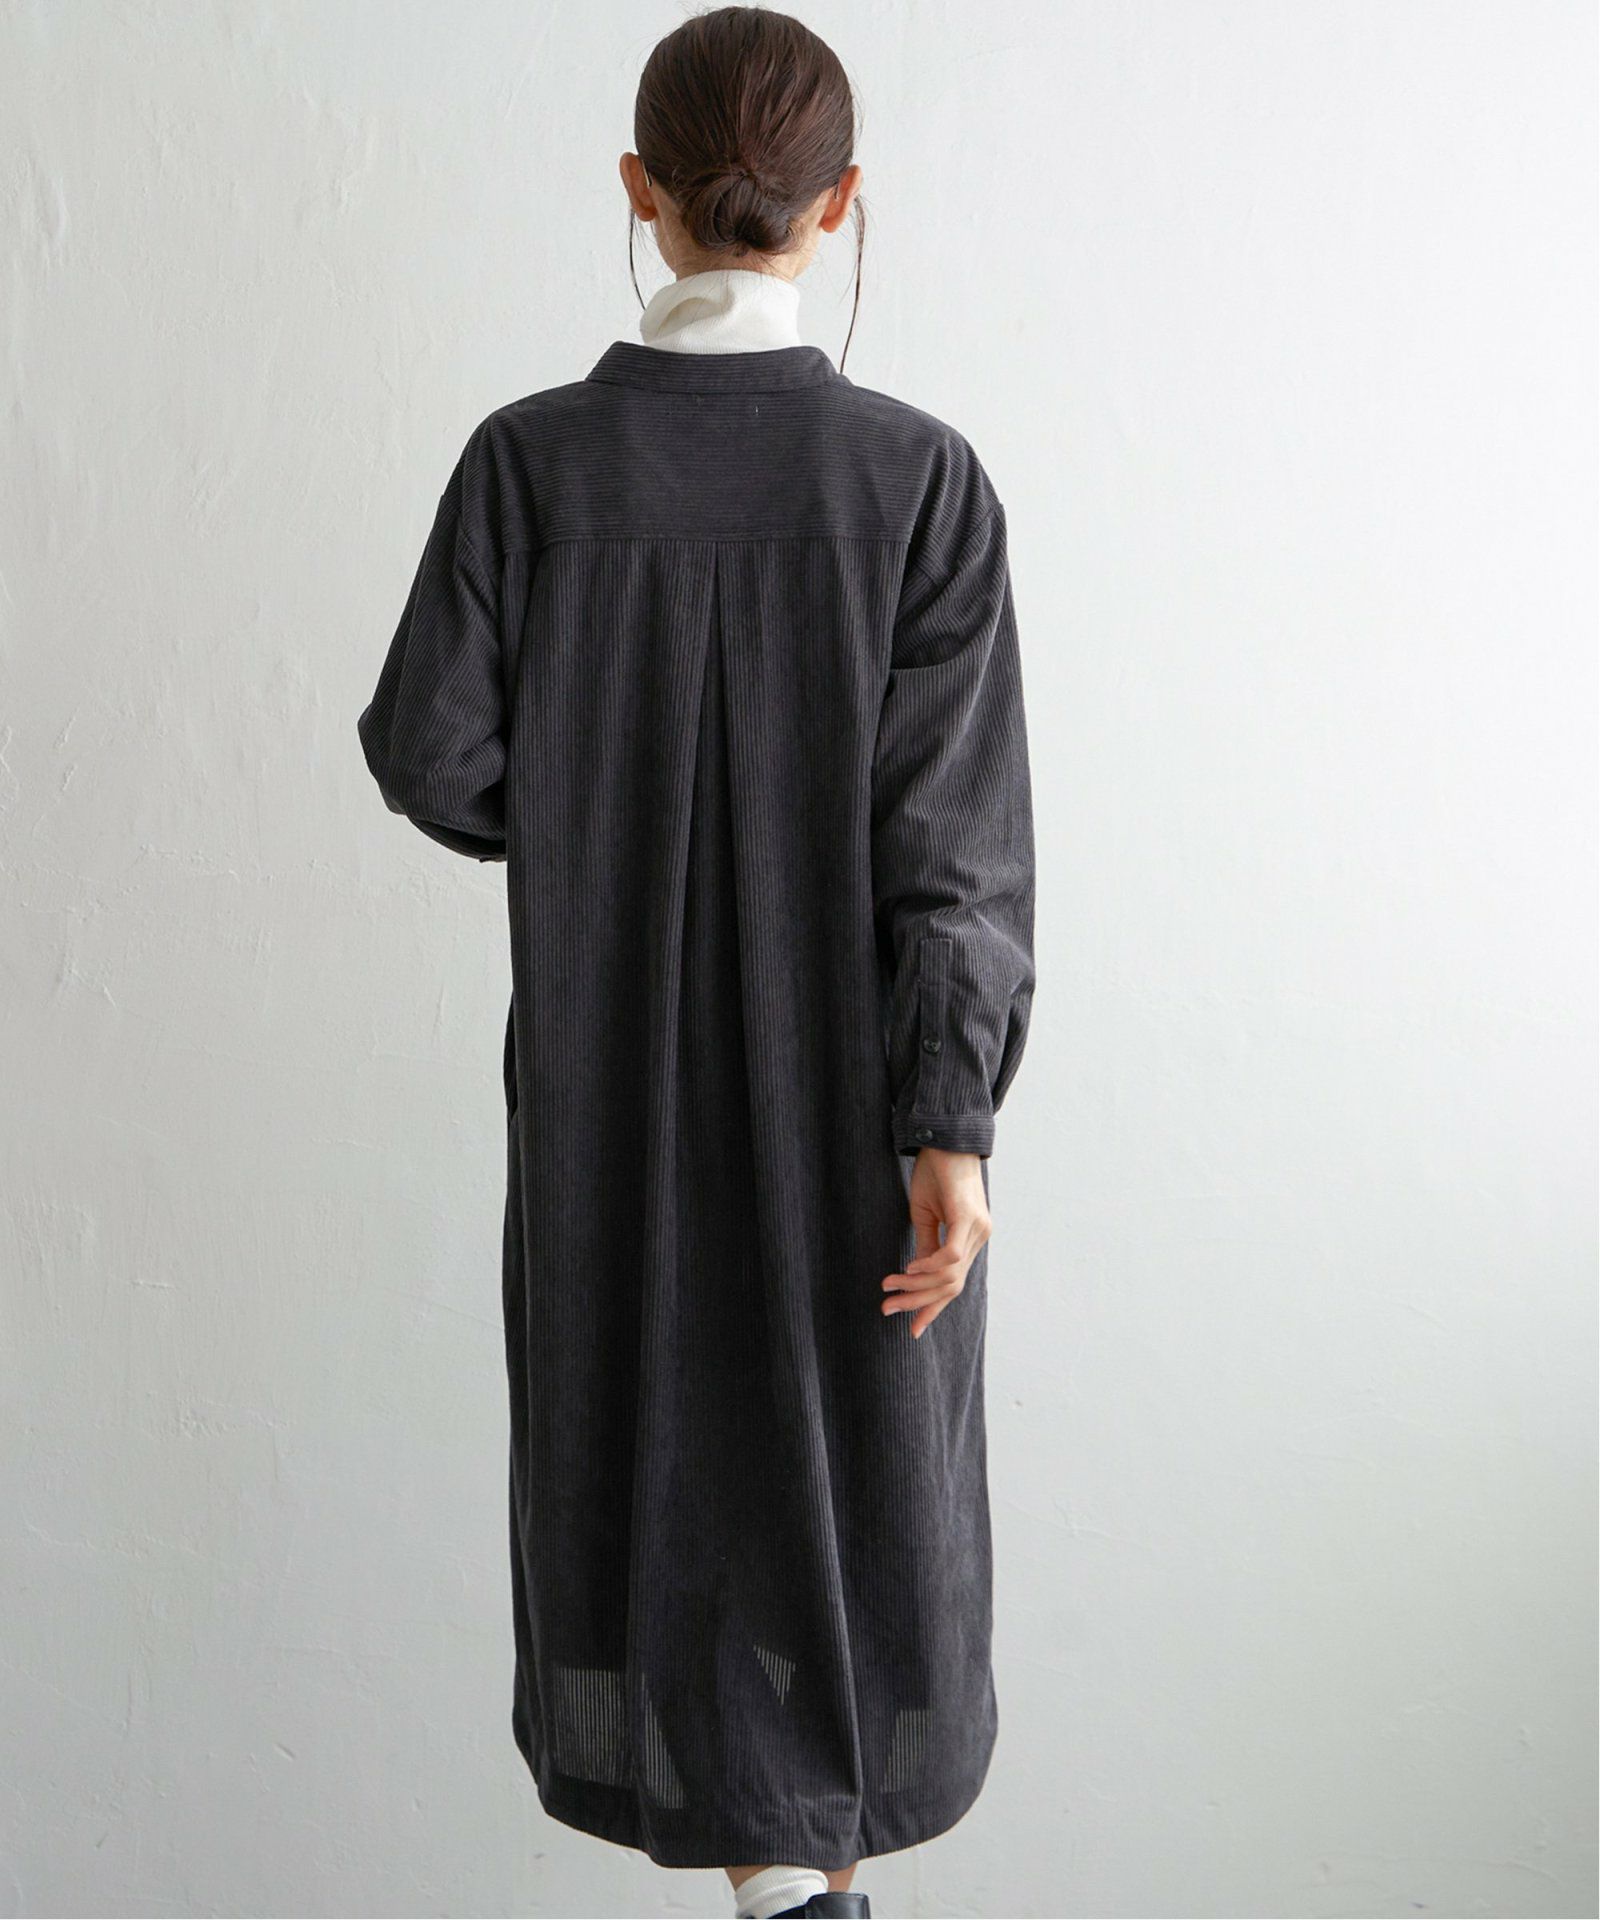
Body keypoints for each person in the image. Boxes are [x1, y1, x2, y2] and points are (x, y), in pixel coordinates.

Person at [357, 9, 1036, 1916]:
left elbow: (429, 751)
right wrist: (953, 1131)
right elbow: (957, 853)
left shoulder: (530, 468)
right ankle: (806, 1895)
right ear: (841, 204)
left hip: (614, 1095)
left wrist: (601, 834)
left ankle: (782, 1897)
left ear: (638, 194)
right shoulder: (919, 484)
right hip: (861, 1110)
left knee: (654, 1464)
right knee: (850, 1500)